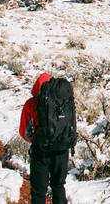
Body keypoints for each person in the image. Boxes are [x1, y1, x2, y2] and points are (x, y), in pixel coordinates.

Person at [20, 72, 71, 204]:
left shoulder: (31, 103)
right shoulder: (65, 100)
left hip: (40, 151)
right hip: (62, 151)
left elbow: (24, 132)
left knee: (38, 193)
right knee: (58, 187)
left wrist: (37, 139)